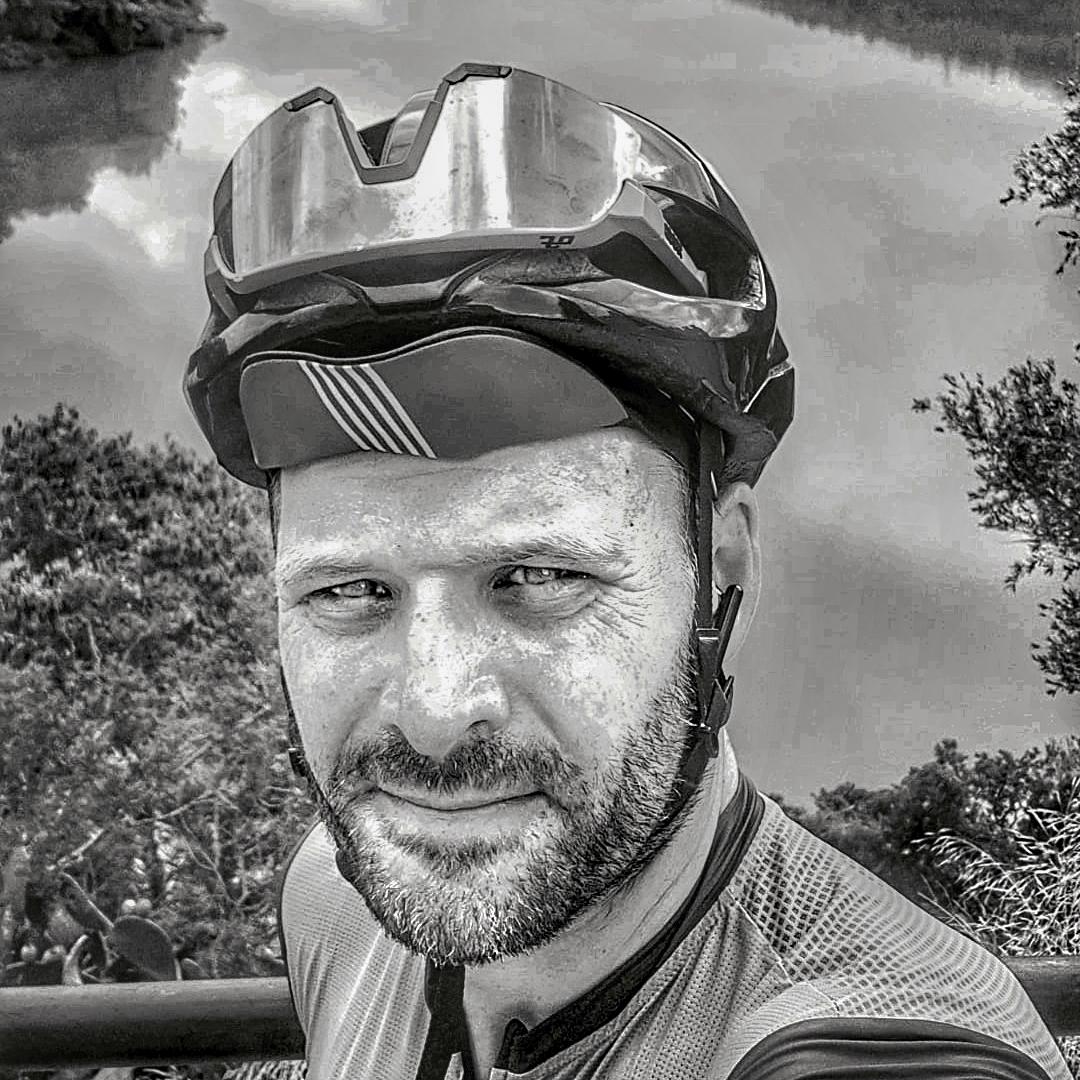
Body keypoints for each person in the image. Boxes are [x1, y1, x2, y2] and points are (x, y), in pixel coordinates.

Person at [184, 63, 1070, 1080]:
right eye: (348, 592)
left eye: (539, 577)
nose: (433, 714)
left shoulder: (876, 1049)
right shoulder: (334, 905)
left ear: (722, 576)